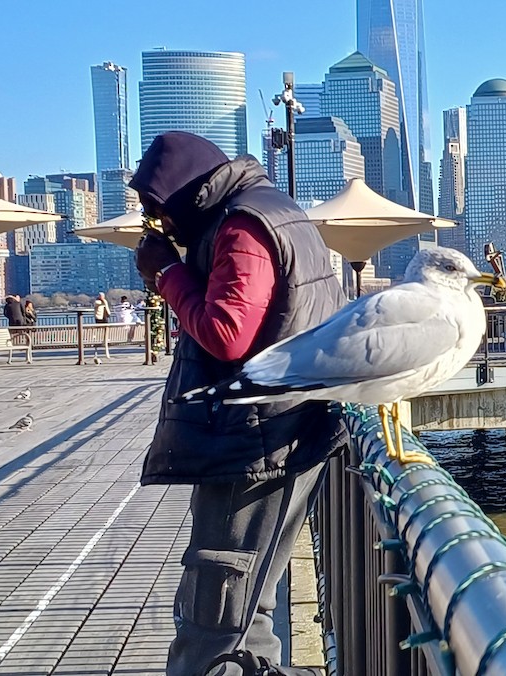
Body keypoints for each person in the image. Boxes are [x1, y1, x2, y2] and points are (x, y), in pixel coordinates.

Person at [131, 131, 346, 675]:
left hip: (255, 439)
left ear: (184, 193)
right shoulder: (276, 209)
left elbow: (227, 332)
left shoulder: (243, 226)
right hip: (281, 428)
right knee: (248, 605)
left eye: (157, 211)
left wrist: (166, 273)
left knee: (218, 603)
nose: (159, 224)